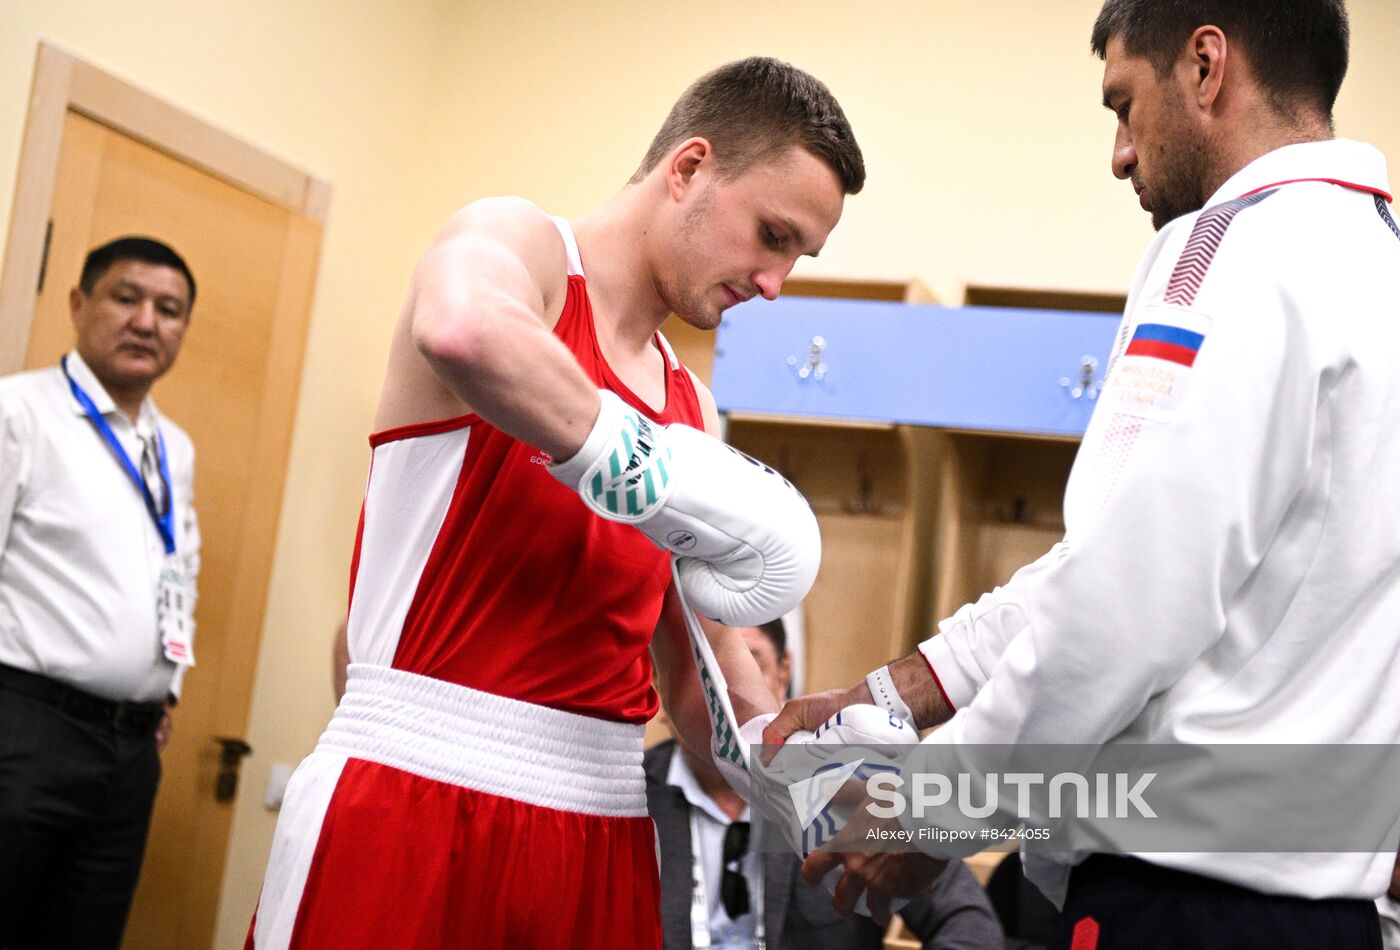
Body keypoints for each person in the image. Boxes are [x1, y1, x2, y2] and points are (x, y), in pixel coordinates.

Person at [768, 2, 1400, 948]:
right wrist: (899, 693)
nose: (1120, 153)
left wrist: (933, 813)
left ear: (1206, 65)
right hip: (1328, 912)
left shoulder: (1230, 250)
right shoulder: (1378, 263)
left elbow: (1124, 594)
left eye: (1124, 104)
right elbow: (1123, 565)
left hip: (1183, 904)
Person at [246, 57, 864, 950]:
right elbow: (461, 325)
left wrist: (836, 781)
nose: (775, 282)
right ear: (689, 168)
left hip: (601, 830)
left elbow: (702, 687)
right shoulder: (522, 248)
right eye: (772, 235)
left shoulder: (691, 412)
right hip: (417, 794)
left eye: (798, 256)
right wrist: (639, 464)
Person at [0, 236, 200, 949]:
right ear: (79, 304)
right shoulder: (18, 412)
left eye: (169, 310)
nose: (147, 322)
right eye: (126, 298)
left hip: (129, 752)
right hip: (24, 732)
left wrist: (167, 686)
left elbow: (179, 566)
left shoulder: (173, 447)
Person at [645, 616, 1004, 949]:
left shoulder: (850, 775)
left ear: (784, 673)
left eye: (750, 667)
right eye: (701, 674)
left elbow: (970, 924)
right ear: (661, 688)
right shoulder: (631, 799)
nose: (725, 696)